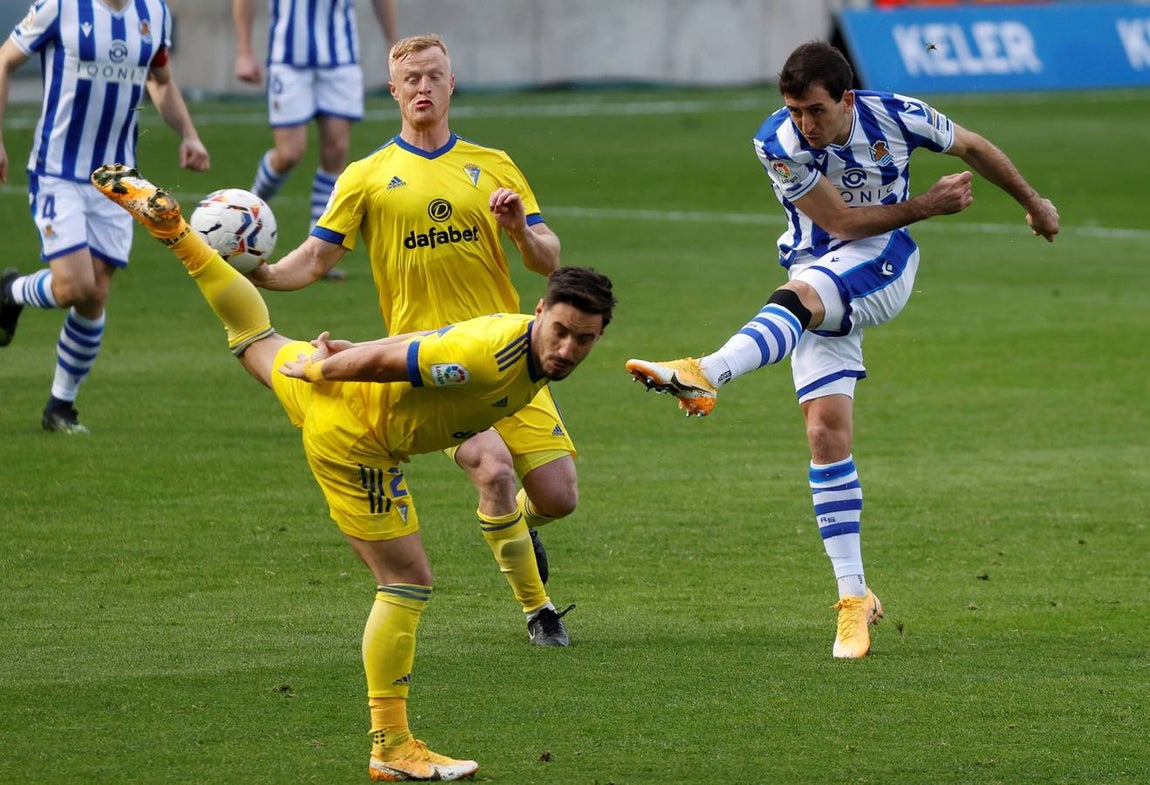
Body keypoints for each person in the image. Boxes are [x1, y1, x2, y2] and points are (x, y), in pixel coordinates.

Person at [90, 162, 616, 781]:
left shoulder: (525, 357)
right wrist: (324, 368)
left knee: (252, 333)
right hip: (355, 438)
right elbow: (398, 357)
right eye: (560, 332)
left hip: (338, 403)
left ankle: (177, 232)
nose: (567, 349)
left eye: (584, 340)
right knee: (406, 582)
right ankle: (391, 747)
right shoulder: (487, 357)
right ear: (539, 312)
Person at [626, 41, 1059, 659]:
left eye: (816, 111)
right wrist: (930, 203)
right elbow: (842, 226)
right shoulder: (776, 141)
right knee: (826, 435)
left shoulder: (898, 115)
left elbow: (975, 147)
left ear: (846, 99)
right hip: (823, 265)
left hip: (885, 267)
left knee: (800, 297)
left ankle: (707, 371)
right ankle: (854, 599)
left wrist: (1034, 203)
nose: (805, 124)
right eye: (795, 110)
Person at [248, 35, 581, 647]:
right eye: (412, 79)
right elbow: (317, 258)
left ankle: (517, 530)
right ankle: (539, 610)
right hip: (431, 365)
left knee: (558, 498)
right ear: (395, 89)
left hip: (511, 359)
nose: (423, 87)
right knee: (493, 466)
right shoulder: (367, 176)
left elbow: (547, 258)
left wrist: (516, 229)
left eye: (435, 76)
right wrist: (264, 274)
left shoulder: (493, 165)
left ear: (452, 86)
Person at [0, 0, 210, 433]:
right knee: (75, 285)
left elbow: (161, 80)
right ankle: (11, 291)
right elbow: (4, 61)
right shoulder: (60, 8)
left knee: (95, 296)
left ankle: (60, 406)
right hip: (58, 171)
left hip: (118, 179)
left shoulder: (154, 13)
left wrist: (188, 134)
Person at [232, 0, 397, 281]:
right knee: (289, 153)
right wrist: (244, 51)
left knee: (336, 150)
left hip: (340, 60)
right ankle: (247, 212)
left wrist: (394, 46)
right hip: (289, 60)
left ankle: (317, 249)